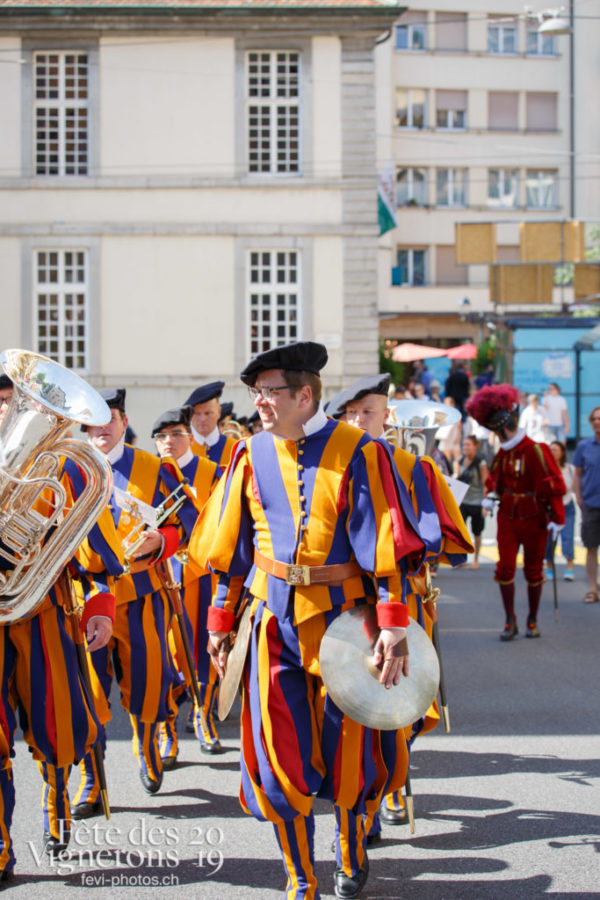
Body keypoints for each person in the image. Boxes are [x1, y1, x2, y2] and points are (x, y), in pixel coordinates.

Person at [190, 342, 426, 900]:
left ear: (304, 394)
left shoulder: (361, 452)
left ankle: (350, 850)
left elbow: (387, 545)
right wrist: (220, 622)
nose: (259, 403)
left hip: (347, 621)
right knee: (276, 756)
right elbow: (232, 551)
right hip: (271, 622)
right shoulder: (248, 454)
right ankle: (301, 877)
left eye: (270, 392)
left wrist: (393, 623)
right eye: (256, 394)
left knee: (351, 747)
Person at [0, 368, 123, 876]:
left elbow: (96, 555)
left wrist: (99, 607)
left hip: (44, 615)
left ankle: (55, 808)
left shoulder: (69, 470)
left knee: (60, 729)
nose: (5, 411)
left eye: (10, 402)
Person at [343, 373, 472, 833]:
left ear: (386, 416)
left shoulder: (414, 468)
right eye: (351, 413)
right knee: (356, 706)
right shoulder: (330, 466)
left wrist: (432, 519)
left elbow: (453, 545)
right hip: (348, 605)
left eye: (368, 412)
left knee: (400, 705)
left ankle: (394, 783)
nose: (359, 421)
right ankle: (365, 804)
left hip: (404, 603)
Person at [73, 388, 194, 814]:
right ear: (83, 429)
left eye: (111, 419)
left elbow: (189, 525)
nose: (102, 428)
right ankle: (92, 780)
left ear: (124, 423)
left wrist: (162, 539)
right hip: (87, 595)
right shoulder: (71, 470)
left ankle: (146, 750)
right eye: (93, 422)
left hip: (143, 593)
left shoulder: (154, 467)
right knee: (89, 691)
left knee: (148, 682)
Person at [151, 406, 223, 762]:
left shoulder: (212, 472)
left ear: (190, 436)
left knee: (204, 650)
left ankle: (203, 714)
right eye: (162, 437)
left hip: (202, 575)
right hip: (161, 576)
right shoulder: (148, 474)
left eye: (176, 434)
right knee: (163, 653)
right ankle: (166, 727)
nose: (169, 442)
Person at [467, 384, 566, 641]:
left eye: (500, 431)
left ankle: (532, 618)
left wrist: (558, 518)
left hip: (534, 518)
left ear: (507, 427)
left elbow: (555, 485)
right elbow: (495, 482)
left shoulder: (537, 450)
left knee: (533, 571)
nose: (500, 436)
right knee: (505, 568)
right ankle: (510, 619)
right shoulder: (502, 453)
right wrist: (490, 495)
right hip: (508, 518)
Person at [573, 406, 600, 603]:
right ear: (591, 422)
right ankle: (592, 588)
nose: (598, 422)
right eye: (595, 419)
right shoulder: (584, 446)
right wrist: (579, 498)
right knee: (591, 548)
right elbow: (577, 474)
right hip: (590, 504)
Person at [184, 381, 236, 467]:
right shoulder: (181, 448)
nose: (202, 419)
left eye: (208, 413)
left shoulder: (234, 448)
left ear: (219, 412)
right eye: (197, 413)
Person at [455, 435, 488, 569]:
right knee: (460, 531)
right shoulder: (460, 460)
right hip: (464, 500)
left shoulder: (481, 463)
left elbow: (485, 483)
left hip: (477, 501)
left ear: (475, 446)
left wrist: (485, 503)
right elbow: (457, 480)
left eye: (468, 445)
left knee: (477, 531)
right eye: (464, 445)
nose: (466, 448)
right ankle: (461, 558)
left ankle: (476, 559)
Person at [544, 441, 575, 582]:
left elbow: (573, 486)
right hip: (550, 508)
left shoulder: (569, 469)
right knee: (549, 540)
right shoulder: (544, 469)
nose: (553, 452)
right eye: (550, 450)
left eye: (555, 450)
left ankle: (570, 568)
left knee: (567, 538)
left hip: (567, 506)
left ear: (562, 452)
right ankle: (550, 567)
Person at [436, 396, 462, 468]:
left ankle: (457, 473)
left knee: (457, 457)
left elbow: (459, 427)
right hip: (446, 438)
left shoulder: (456, 413)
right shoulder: (443, 413)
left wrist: (458, 438)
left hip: (454, 437)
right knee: (445, 457)